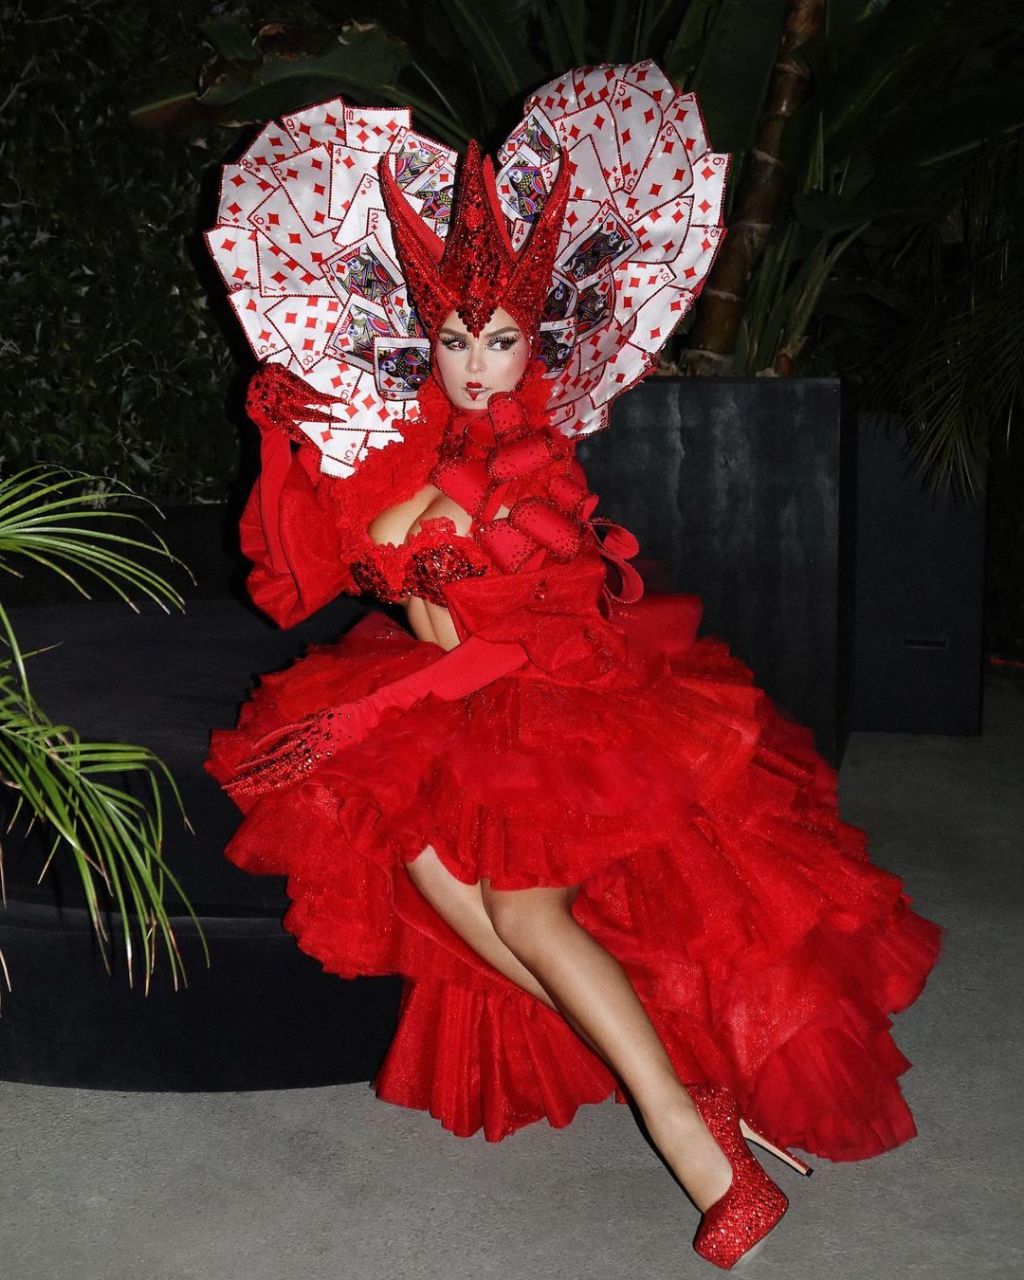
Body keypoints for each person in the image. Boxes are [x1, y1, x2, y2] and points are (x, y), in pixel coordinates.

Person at [204, 63, 941, 1270]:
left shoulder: (532, 461)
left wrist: (372, 701)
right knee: (424, 862)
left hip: (540, 703)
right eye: (454, 337)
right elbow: (309, 575)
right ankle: (688, 1083)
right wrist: (295, 434)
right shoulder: (408, 440)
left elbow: (515, 633)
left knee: (520, 904)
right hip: (435, 701)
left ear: (535, 341)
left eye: (499, 339)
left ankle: (705, 1153)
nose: (475, 362)